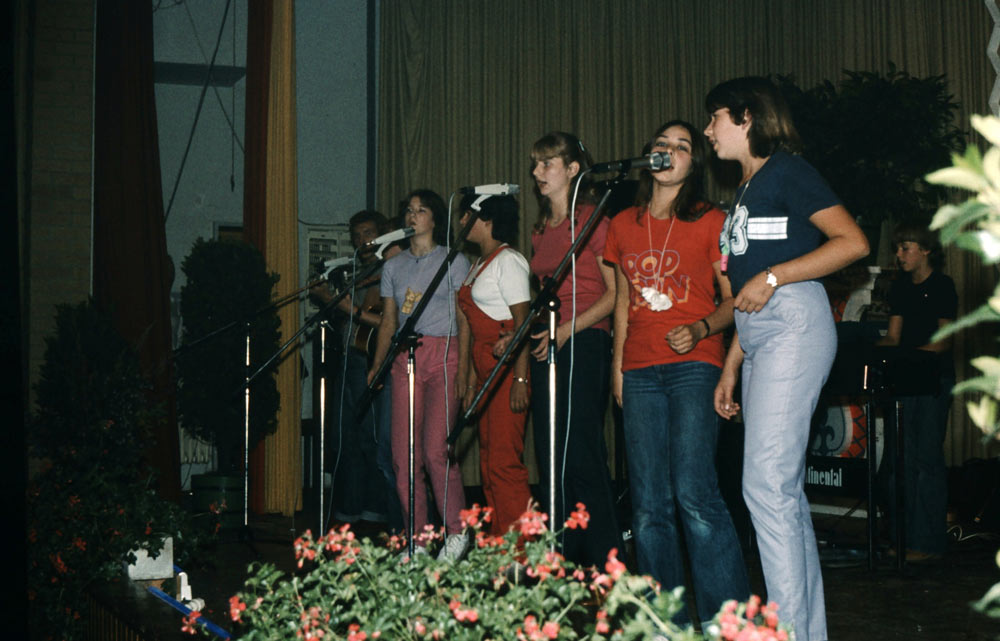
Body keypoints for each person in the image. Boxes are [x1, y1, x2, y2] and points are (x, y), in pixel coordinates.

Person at [705, 77, 869, 641]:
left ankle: (788, 632)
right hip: (759, 335)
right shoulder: (745, 189)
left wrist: (775, 276)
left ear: (746, 116)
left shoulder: (788, 171)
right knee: (781, 492)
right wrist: (731, 365)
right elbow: (746, 294)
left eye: (715, 117)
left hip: (794, 322)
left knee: (765, 487)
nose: (708, 130)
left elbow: (852, 242)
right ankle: (804, 631)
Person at [605, 120, 750, 627]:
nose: (670, 151)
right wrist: (618, 369)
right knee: (648, 506)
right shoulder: (621, 224)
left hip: (695, 366)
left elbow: (735, 300)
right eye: (662, 144)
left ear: (694, 163)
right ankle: (666, 624)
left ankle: (727, 622)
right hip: (640, 370)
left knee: (695, 494)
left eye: (682, 146)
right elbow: (622, 301)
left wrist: (702, 326)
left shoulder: (712, 220)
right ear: (649, 155)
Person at [528, 131, 621, 566]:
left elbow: (614, 294)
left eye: (546, 163)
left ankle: (607, 559)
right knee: (551, 454)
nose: (536, 172)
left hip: (584, 339)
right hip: (549, 341)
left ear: (572, 170)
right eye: (534, 163)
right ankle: (564, 555)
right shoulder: (541, 229)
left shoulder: (593, 221)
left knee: (581, 451)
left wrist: (567, 330)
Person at [368, 189, 470, 560]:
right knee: (403, 455)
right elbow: (388, 321)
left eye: (421, 210)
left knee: (435, 451)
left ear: (435, 218)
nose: (413, 216)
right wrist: (378, 364)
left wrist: (466, 369)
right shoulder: (393, 266)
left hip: (444, 355)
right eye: (409, 210)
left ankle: (456, 533)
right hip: (404, 357)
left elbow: (465, 318)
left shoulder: (454, 260)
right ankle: (419, 540)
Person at [310, 210, 403, 533]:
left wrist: (339, 303)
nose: (362, 241)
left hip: (369, 360)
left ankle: (375, 513)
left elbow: (384, 320)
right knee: (344, 437)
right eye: (357, 236)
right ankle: (350, 510)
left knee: (371, 439)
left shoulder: (389, 270)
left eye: (368, 233)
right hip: (351, 357)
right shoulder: (361, 272)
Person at [876, 222, 957, 562]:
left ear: (925, 251)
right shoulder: (899, 288)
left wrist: (909, 356)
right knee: (900, 461)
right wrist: (866, 348)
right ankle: (902, 538)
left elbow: (944, 341)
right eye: (898, 249)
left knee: (926, 460)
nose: (899, 255)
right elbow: (893, 337)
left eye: (905, 248)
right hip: (906, 379)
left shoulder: (943, 286)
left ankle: (926, 544)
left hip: (933, 380)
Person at [455, 193, 533, 535]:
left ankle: (522, 548)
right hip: (485, 372)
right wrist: (472, 383)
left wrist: (520, 380)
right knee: (488, 462)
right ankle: (500, 541)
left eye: (467, 215)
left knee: (504, 463)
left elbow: (522, 324)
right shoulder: (478, 264)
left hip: (507, 372)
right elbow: (475, 335)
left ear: (487, 220)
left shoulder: (508, 261)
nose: (461, 222)